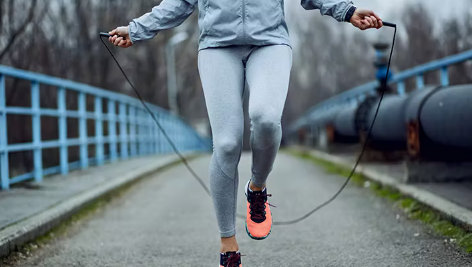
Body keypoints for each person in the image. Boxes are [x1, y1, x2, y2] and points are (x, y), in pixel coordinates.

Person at [108, 0, 383, 266]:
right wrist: (136, 29)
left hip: (270, 42)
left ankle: (257, 187)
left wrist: (347, 10)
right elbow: (179, 3)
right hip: (217, 47)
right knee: (226, 144)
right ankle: (228, 242)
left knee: (265, 117)